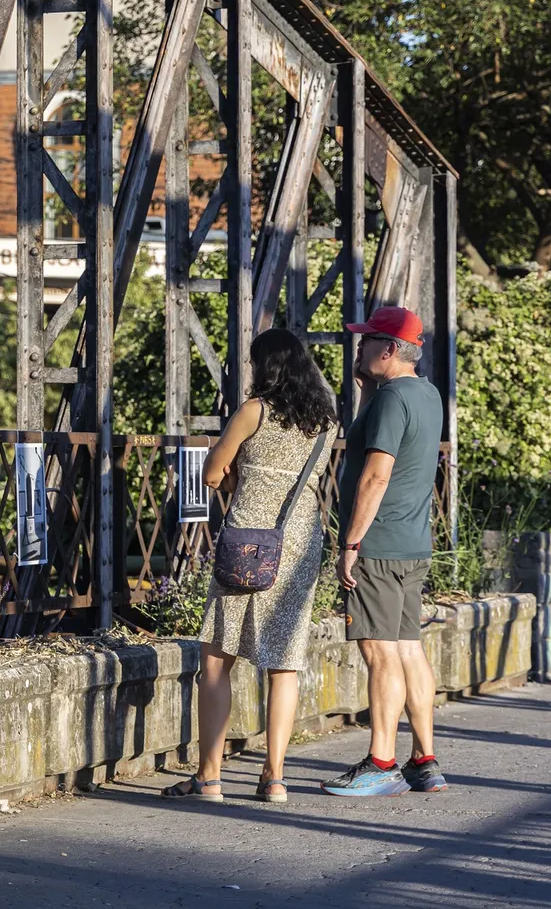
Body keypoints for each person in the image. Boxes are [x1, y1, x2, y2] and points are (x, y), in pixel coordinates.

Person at [164, 329, 337, 804]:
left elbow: (212, 473)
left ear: (265, 367)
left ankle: (210, 778)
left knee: (217, 661)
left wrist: (243, 474)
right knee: (283, 664)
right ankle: (275, 777)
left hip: (248, 543)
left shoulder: (254, 411)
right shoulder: (326, 421)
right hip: (299, 543)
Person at [321, 306, 448, 796]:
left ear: (390, 348)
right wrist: (366, 386)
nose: (358, 348)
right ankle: (424, 761)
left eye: (367, 340)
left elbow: (376, 474)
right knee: (409, 650)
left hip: (378, 544)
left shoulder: (392, 400)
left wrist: (351, 542)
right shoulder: (423, 393)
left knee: (379, 654)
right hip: (413, 543)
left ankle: (381, 763)